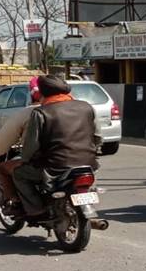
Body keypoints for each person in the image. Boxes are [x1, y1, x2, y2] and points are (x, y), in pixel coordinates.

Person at [12, 75, 99, 220]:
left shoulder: (41, 112)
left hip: (55, 168)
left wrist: (25, 159)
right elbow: (98, 137)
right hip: (88, 164)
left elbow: (31, 145)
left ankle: (36, 209)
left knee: (19, 174)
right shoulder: (86, 107)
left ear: (42, 93)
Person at [0, 79, 37, 211]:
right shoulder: (80, 109)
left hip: (43, 163)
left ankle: (16, 202)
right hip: (81, 161)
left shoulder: (30, 112)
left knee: (4, 169)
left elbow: (4, 140)